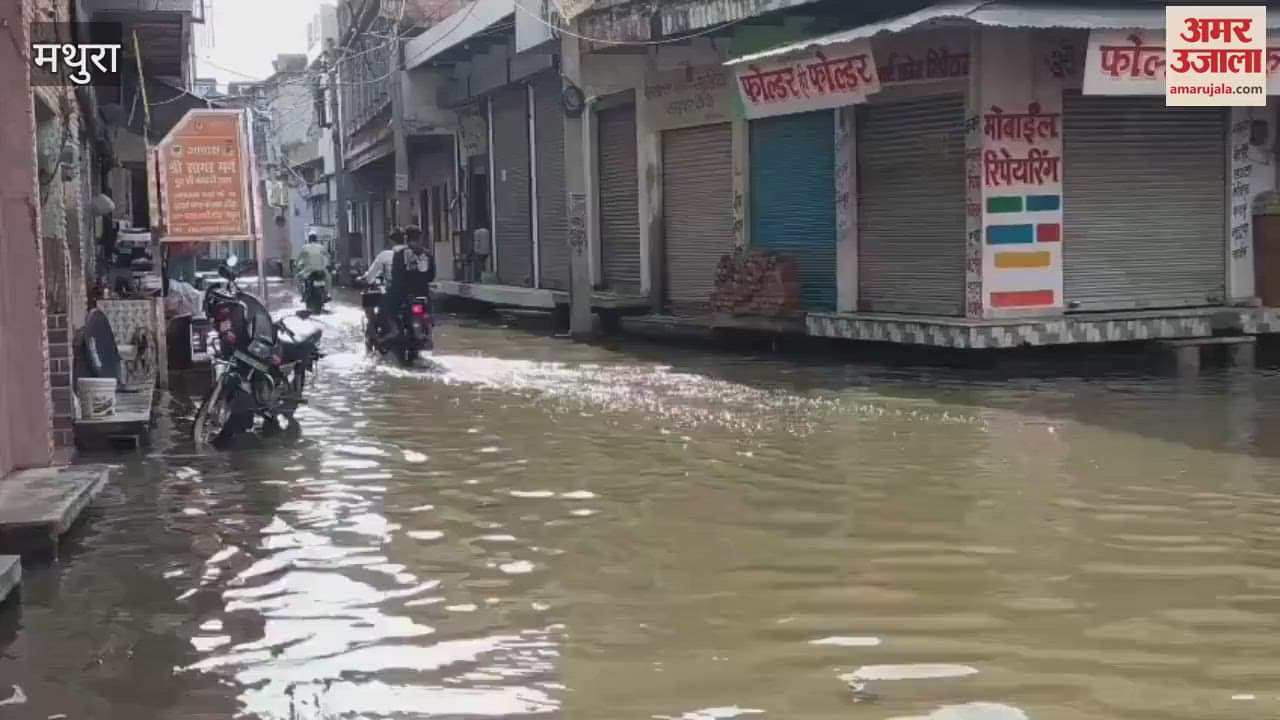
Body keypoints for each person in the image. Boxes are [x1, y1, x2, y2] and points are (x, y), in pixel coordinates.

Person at [368, 225, 436, 343]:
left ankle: (393, 330)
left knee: (383, 310)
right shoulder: (428, 254)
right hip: (422, 293)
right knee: (427, 312)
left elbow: (396, 275)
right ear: (420, 238)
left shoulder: (400, 253)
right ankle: (428, 334)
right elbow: (431, 276)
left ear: (406, 238)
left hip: (401, 293)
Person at [294, 232, 331, 298]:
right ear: (316, 239)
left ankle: (302, 293)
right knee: (328, 278)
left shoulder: (304, 247)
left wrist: (296, 265)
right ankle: (327, 294)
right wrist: (328, 265)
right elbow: (328, 256)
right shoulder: (321, 247)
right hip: (321, 269)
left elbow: (298, 259)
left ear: (309, 239)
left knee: (297, 277)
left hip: (308, 270)